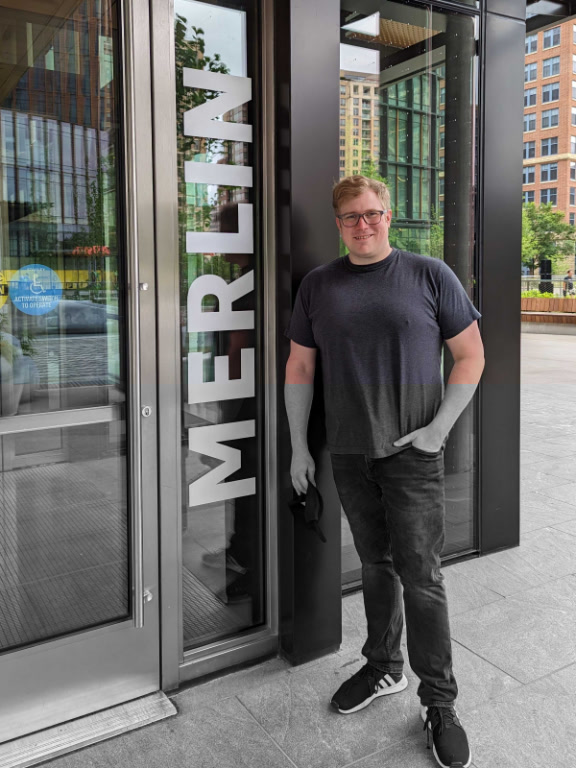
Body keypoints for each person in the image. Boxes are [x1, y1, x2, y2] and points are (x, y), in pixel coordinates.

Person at [284, 175, 484, 768]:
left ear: (389, 216)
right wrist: (299, 447)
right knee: (376, 565)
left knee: (422, 578)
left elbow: (471, 354)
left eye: (373, 214)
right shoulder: (319, 287)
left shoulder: (428, 275)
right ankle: (382, 667)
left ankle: (440, 702)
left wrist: (438, 430)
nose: (363, 224)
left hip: (413, 457)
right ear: (338, 223)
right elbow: (299, 367)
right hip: (349, 453)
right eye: (351, 217)